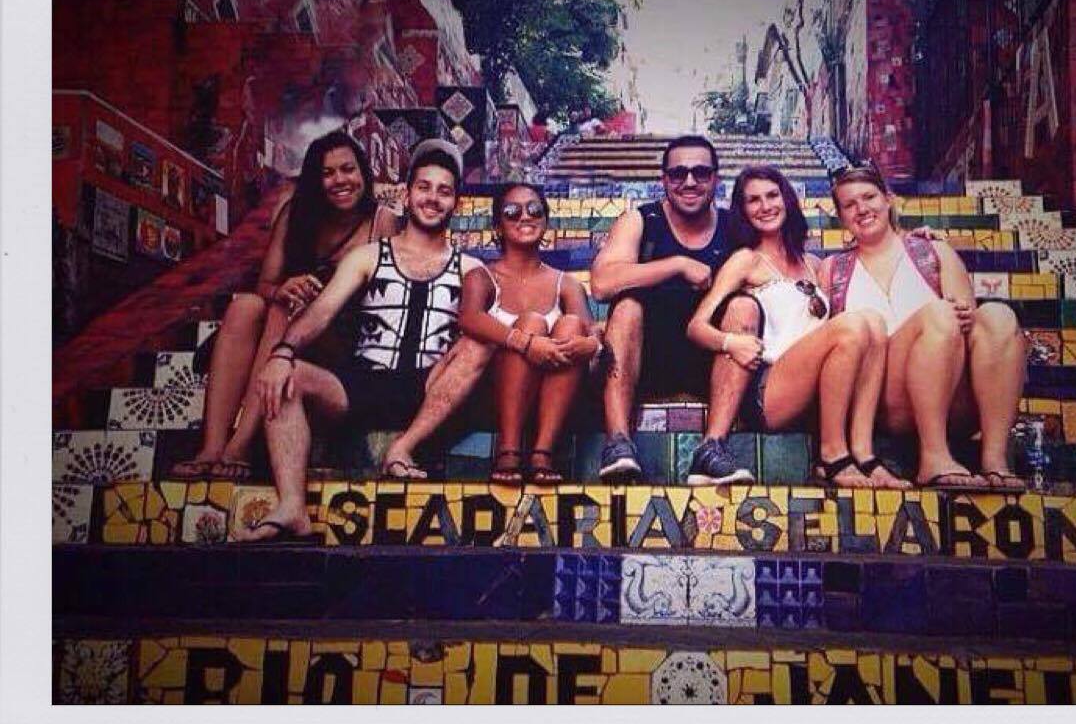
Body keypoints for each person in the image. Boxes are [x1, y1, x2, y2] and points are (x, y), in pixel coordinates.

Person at [233, 141, 483, 541]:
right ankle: (292, 507)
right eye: (424, 187)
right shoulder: (368, 256)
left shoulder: (472, 269)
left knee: (476, 346)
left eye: (444, 190)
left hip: (429, 391)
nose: (432, 199)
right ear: (406, 194)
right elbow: (319, 313)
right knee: (287, 374)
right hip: (362, 383)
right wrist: (282, 353)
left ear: (457, 203)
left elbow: (490, 327)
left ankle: (404, 446)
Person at [172, 131, 398, 480]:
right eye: (328, 173)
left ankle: (242, 443)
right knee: (246, 306)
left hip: (341, 337)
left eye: (348, 170)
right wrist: (283, 288)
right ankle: (213, 446)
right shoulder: (296, 214)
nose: (340, 180)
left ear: (363, 174)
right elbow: (264, 283)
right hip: (285, 329)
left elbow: (386, 298)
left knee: (284, 311)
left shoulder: (381, 220)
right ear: (315, 179)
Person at [685, 166, 908, 488]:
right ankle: (832, 455)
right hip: (771, 390)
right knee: (854, 325)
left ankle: (864, 455)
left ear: (787, 200)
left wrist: (908, 237)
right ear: (743, 211)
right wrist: (730, 341)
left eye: (772, 195)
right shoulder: (746, 260)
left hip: (819, 393)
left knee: (870, 321)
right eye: (753, 200)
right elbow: (696, 327)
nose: (765, 206)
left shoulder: (814, 265)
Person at [820, 165, 1028, 491]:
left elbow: (972, 329)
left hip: (949, 392)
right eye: (849, 205)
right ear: (841, 217)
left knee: (999, 317)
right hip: (882, 402)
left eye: (869, 197)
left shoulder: (934, 252)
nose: (861, 209)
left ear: (889, 200)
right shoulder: (832, 270)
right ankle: (933, 456)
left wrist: (957, 314)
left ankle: (995, 459)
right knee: (939, 314)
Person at [590, 135, 743, 481]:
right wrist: (677, 264)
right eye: (678, 174)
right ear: (664, 180)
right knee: (626, 307)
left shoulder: (734, 225)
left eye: (701, 173)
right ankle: (617, 441)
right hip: (645, 362)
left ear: (716, 178)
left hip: (712, 363)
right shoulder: (642, 220)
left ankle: (713, 447)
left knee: (744, 307)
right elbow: (601, 284)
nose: (689, 182)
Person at [457, 182, 601, 484]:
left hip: (557, 394)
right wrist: (528, 343)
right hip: (496, 392)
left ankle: (542, 452)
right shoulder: (481, 276)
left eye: (534, 210)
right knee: (532, 322)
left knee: (572, 325)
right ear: (498, 223)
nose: (525, 217)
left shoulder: (567, 284)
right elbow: (469, 318)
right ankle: (509, 449)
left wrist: (589, 346)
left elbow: (592, 335)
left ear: (545, 220)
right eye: (512, 211)